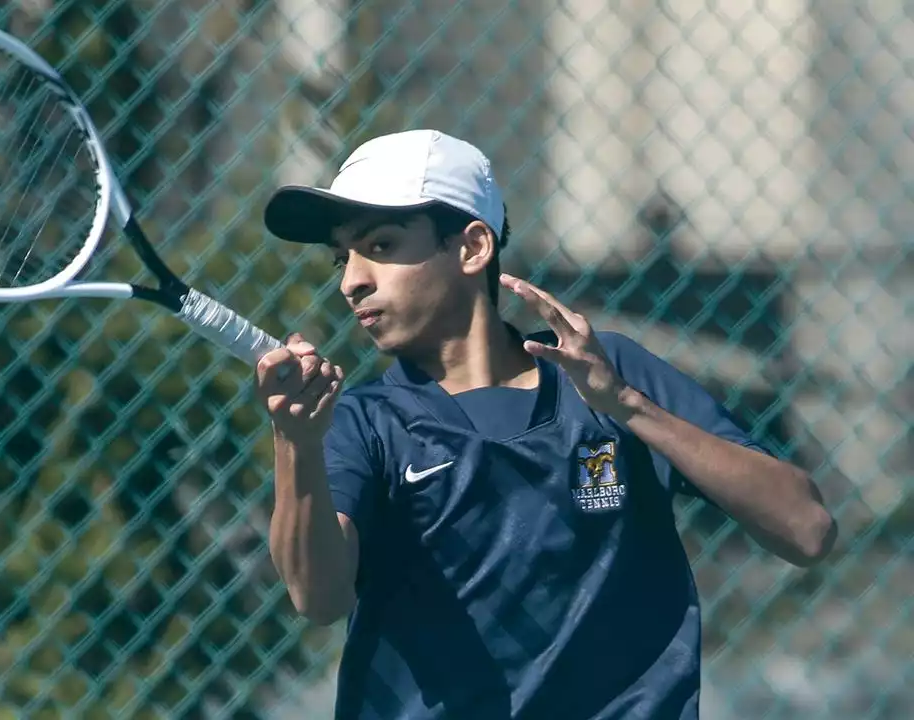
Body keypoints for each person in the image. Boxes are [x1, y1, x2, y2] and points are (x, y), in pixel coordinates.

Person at [252, 129, 836, 720]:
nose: (352, 280)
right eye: (341, 258)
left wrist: (628, 406)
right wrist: (295, 443)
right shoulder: (363, 421)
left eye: (379, 245)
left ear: (473, 247)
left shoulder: (609, 373)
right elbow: (317, 596)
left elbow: (807, 528)